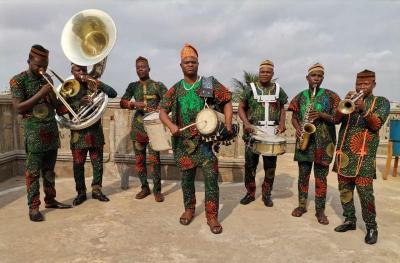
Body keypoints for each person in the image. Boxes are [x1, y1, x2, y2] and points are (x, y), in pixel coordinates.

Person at [159, 43, 233, 234]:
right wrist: (171, 126)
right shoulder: (175, 89)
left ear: (198, 64)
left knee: (210, 179)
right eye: (186, 62)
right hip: (183, 142)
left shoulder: (208, 83)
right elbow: (162, 112)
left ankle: (212, 216)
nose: (190, 64)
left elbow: (226, 101)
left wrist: (228, 124)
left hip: (206, 142)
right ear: (181, 65)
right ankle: (189, 209)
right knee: (186, 179)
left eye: (193, 61)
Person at [10, 44, 72, 222]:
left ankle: (51, 200)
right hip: (34, 133)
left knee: (49, 171)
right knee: (33, 172)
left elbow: (55, 105)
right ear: (29, 61)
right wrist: (40, 92)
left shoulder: (47, 80)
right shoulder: (18, 81)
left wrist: (52, 91)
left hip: (51, 131)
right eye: (38, 65)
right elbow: (18, 107)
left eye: (45, 65)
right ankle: (33, 207)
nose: (42, 69)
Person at [333, 70, 390, 245]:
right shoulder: (350, 100)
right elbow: (336, 120)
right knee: (344, 191)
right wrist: (344, 104)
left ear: (373, 84)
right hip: (344, 154)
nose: (361, 87)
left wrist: (363, 109)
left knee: (365, 194)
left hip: (364, 156)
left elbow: (376, 125)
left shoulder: (381, 102)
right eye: (359, 84)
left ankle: (372, 226)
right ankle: (350, 220)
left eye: (365, 84)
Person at [57, 63, 117, 206]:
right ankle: (81, 193)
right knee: (78, 165)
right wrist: (79, 103)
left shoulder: (92, 85)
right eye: (78, 70)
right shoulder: (67, 88)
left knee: (97, 164)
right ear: (72, 71)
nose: (82, 73)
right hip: (78, 134)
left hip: (95, 132)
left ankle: (97, 190)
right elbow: (59, 110)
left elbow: (113, 93)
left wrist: (97, 82)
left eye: (84, 70)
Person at [288, 63, 340, 225]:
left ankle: (320, 211)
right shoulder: (300, 96)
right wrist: (297, 129)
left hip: (324, 144)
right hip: (305, 141)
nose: (316, 78)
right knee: (303, 176)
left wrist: (322, 115)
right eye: (313, 75)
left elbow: (337, 119)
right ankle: (302, 206)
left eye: (319, 76)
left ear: (323, 78)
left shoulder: (332, 96)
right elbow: (294, 118)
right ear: (307, 78)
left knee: (320, 178)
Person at [238, 60, 288, 207]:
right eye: (262, 72)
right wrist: (246, 124)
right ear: (259, 73)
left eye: (268, 72)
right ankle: (250, 193)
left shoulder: (278, 90)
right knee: (250, 165)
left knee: (270, 166)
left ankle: (266, 194)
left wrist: (283, 123)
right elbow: (241, 108)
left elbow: (283, 108)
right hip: (253, 133)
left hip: (271, 133)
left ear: (272, 74)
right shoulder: (250, 89)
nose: (265, 74)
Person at [120, 56, 168, 202]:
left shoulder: (158, 85)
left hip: (154, 128)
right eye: (138, 67)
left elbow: (168, 100)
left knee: (155, 160)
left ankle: (157, 190)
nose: (140, 69)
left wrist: (161, 107)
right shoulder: (132, 86)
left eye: (143, 66)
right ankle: (144, 187)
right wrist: (134, 104)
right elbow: (123, 102)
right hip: (138, 128)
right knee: (139, 159)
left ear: (149, 68)